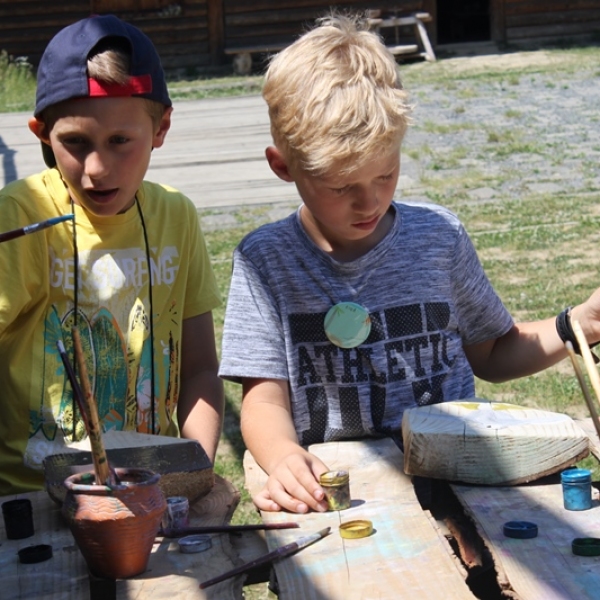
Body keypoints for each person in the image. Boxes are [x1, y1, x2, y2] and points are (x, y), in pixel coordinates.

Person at [219, 14, 600, 514]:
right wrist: (283, 455)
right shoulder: (265, 260)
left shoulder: (438, 236)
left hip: (465, 489)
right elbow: (264, 400)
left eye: (386, 174)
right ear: (282, 166)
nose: (369, 202)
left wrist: (579, 324)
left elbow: (493, 353)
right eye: (341, 186)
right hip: (345, 503)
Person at [0, 15, 223, 494]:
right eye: (75, 143)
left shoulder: (176, 216)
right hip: (30, 491)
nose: (97, 169)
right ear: (42, 133)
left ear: (161, 128)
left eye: (120, 141)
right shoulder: (18, 214)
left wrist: (193, 471)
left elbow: (201, 368)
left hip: (153, 483)